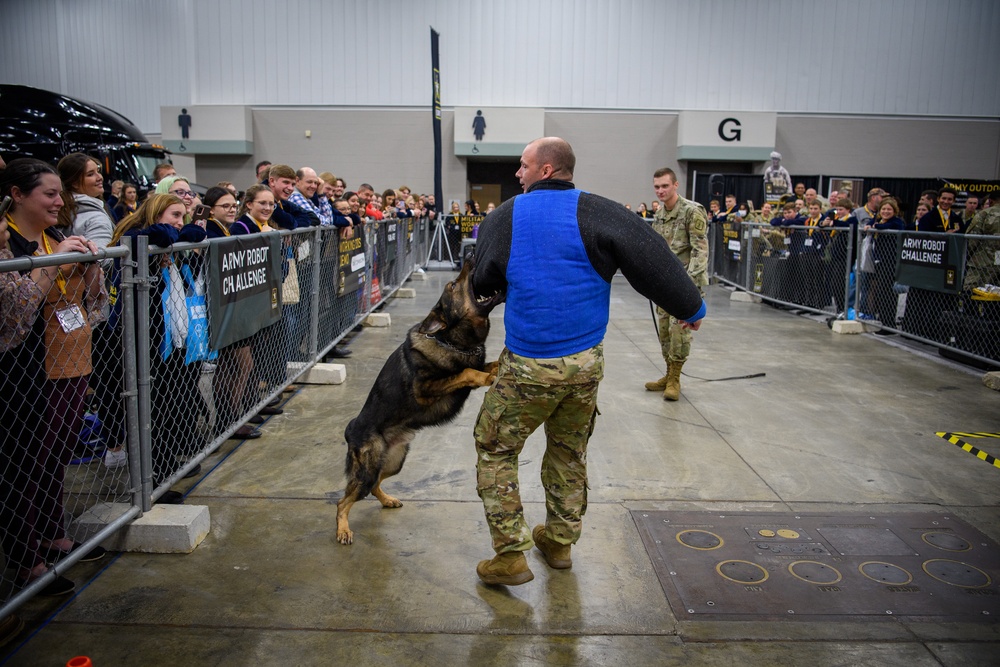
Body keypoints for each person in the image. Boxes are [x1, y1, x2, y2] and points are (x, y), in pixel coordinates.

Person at [470, 138, 705, 585]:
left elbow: (483, 278)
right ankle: (559, 542)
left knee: (496, 448)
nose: (516, 174)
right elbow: (653, 259)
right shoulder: (603, 212)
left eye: (522, 166)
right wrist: (690, 307)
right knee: (568, 449)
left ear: (545, 170)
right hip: (584, 366)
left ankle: (511, 554)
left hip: (527, 366)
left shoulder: (506, 216)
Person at [1, 158, 108, 597]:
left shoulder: (55, 237)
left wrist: (91, 265)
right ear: (18, 195)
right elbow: (15, 313)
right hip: (20, 369)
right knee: (22, 464)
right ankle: (28, 560)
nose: (59, 201)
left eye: (59, 194)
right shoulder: (7, 242)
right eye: (49, 194)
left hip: (65, 360)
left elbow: (96, 303)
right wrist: (53, 265)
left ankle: (53, 532)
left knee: (54, 455)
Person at [110, 194, 207, 502]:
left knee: (165, 406)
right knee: (149, 408)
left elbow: (190, 235)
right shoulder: (138, 237)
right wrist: (180, 232)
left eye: (184, 216)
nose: (180, 222)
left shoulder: (160, 240)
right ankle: (150, 482)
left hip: (165, 340)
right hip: (142, 340)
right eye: (174, 214)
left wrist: (182, 231)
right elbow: (161, 234)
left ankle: (162, 472)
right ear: (154, 212)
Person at [202, 187, 262, 441]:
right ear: (210, 209)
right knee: (238, 364)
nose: (230, 209)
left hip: (231, 305)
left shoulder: (226, 229)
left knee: (236, 366)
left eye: (232, 205)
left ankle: (230, 419)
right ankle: (228, 421)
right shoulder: (211, 230)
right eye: (224, 205)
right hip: (218, 307)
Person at [644, 167, 708, 401]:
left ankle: (675, 379)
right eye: (657, 187)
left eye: (665, 186)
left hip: (686, 284)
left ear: (675, 185)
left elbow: (700, 250)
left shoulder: (692, 212)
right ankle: (668, 372)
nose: (660, 191)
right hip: (665, 285)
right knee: (664, 332)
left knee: (679, 332)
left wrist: (689, 286)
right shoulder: (660, 214)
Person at [864, 198, 906, 332]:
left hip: (890, 262)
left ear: (894, 211)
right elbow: (869, 224)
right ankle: (883, 320)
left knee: (887, 293)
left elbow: (885, 227)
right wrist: (871, 225)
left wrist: (875, 226)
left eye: (889, 209)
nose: (886, 212)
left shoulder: (896, 222)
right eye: (883, 209)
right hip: (878, 261)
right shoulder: (878, 220)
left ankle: (889, 324)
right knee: (880, 292)